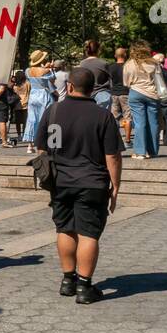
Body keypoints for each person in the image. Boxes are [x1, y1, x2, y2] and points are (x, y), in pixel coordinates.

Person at [36, 68, 122, 304]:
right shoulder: (102, 116)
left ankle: (67, 280)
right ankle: (85, 287)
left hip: (60, 181)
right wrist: (115, 187)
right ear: (92, 89)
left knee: (64, 229)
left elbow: (45, 149)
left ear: (70, 86)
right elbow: (112, 156)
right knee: (88, 233)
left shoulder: (53, 111)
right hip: (92, 182)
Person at [124, 42, 162, 160]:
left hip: (136, 93)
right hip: (152, 94)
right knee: (153, 123)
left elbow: (126, 82)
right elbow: (159, 80)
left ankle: (140, 152)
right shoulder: (154, 63)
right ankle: (153, 150)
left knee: (140, 122)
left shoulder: (129, 64)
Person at [23, 51, 56, 154]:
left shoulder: (28, 71)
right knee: (46, 119)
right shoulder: (47, 71)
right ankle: (45, 144)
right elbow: (52, 81)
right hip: (44, 95)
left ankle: (30, 145)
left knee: (32, 119)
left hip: (33, 95)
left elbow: (30, 79)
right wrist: (50, 68)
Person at [79, 41, 113, 112]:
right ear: (98, 50)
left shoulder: (82, 64)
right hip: (103, 94)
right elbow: (111, 80)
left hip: (86, 95)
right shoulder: (104, 63)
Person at [108, 47, 132, 145]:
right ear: (125, 55)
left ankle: (116, 139)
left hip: (114, 94)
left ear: (115, 56)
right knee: (127, 117)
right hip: (126, 93)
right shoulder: (129, 66)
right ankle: (127, 139)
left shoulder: (110, 67)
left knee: (114, 118)